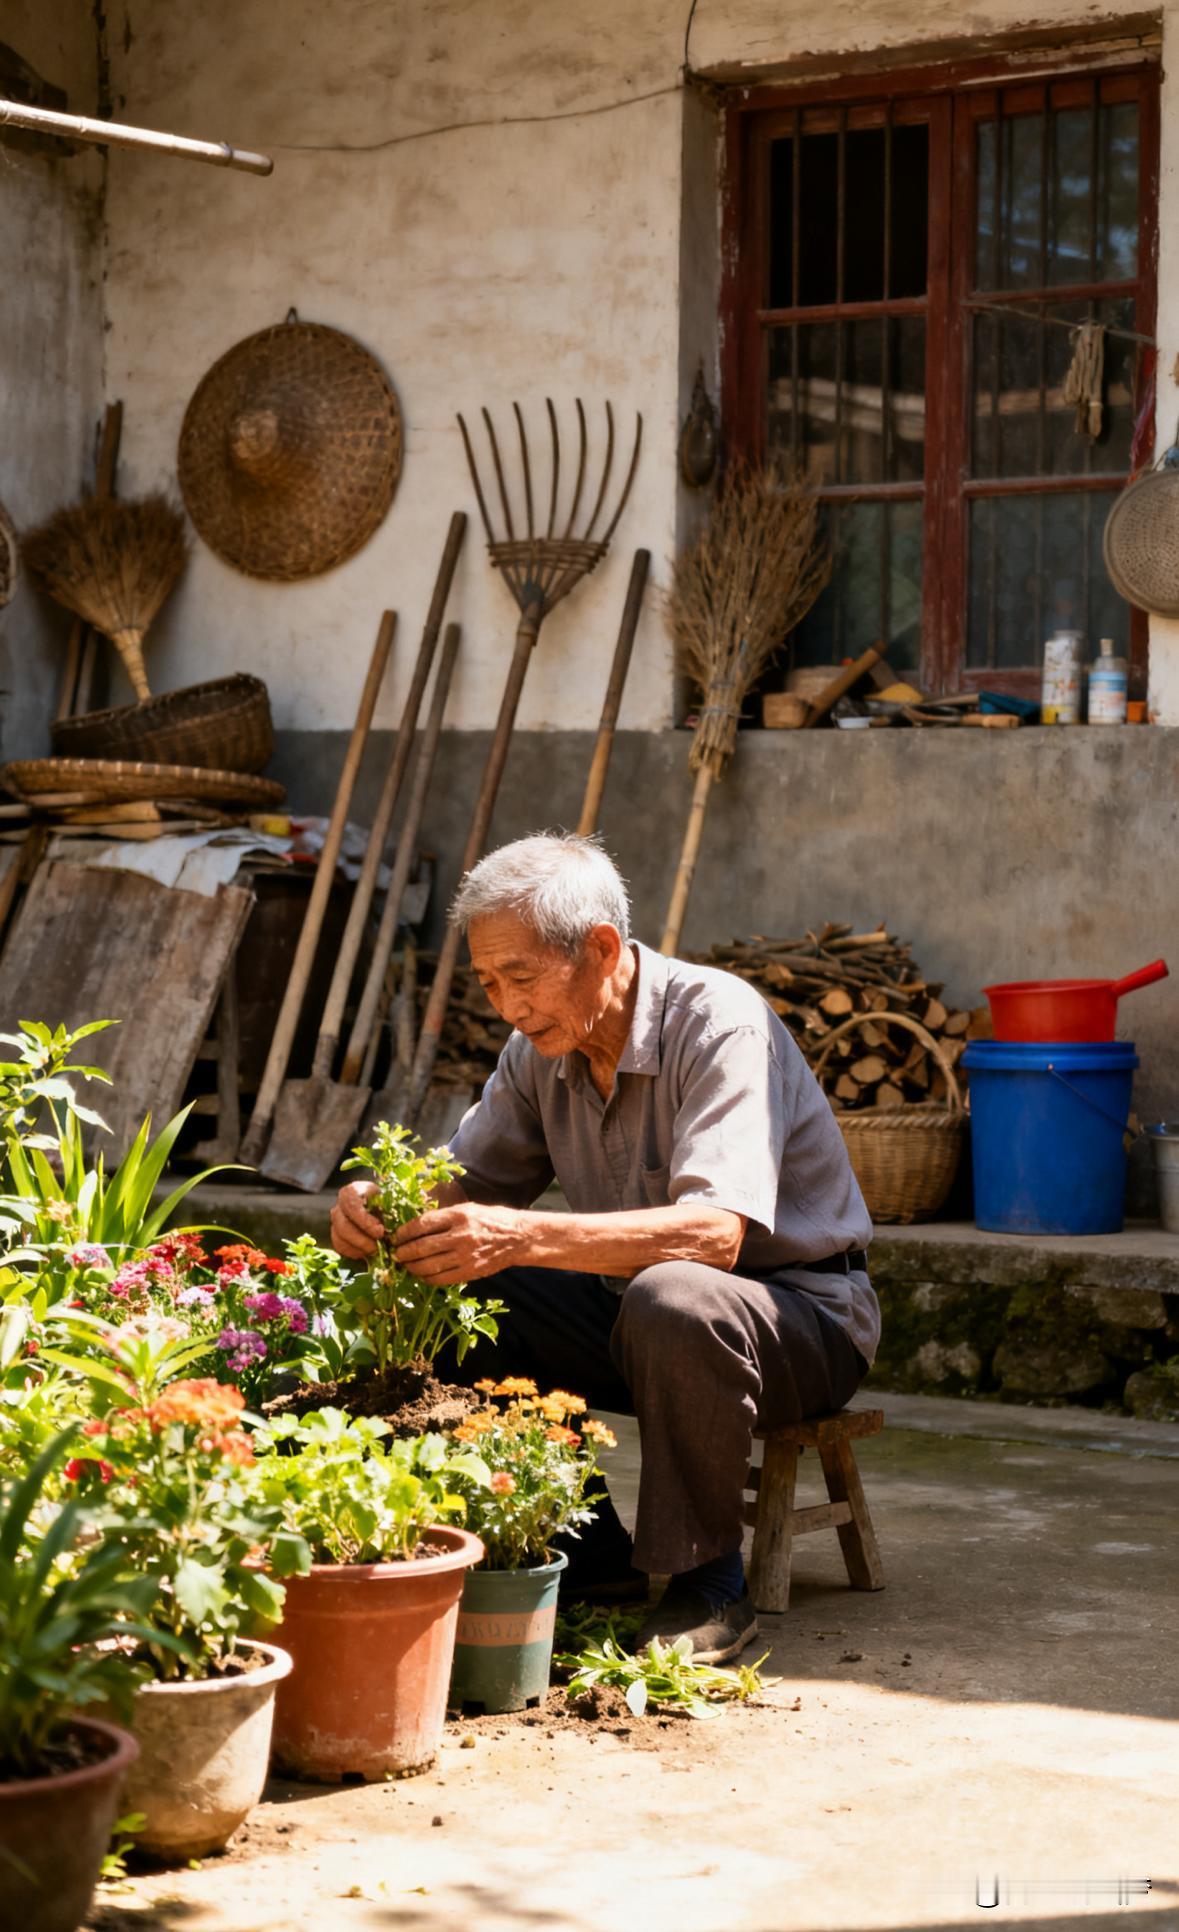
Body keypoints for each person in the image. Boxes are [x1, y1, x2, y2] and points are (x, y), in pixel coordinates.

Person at [332, 833, 879, 1663]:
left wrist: (520, 1235)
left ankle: (706, 1581)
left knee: (674, 1295)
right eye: (487, 983)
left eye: (520, 976)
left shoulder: (718, 1021)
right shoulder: (538, 1052)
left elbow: (713, 1236)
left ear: (600, 950)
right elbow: (464, 1185)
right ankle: (583, 1551)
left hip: (799, 1318)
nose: (506, 1005)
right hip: (642, 1318)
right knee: (452, 1281)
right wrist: (380, 1203)